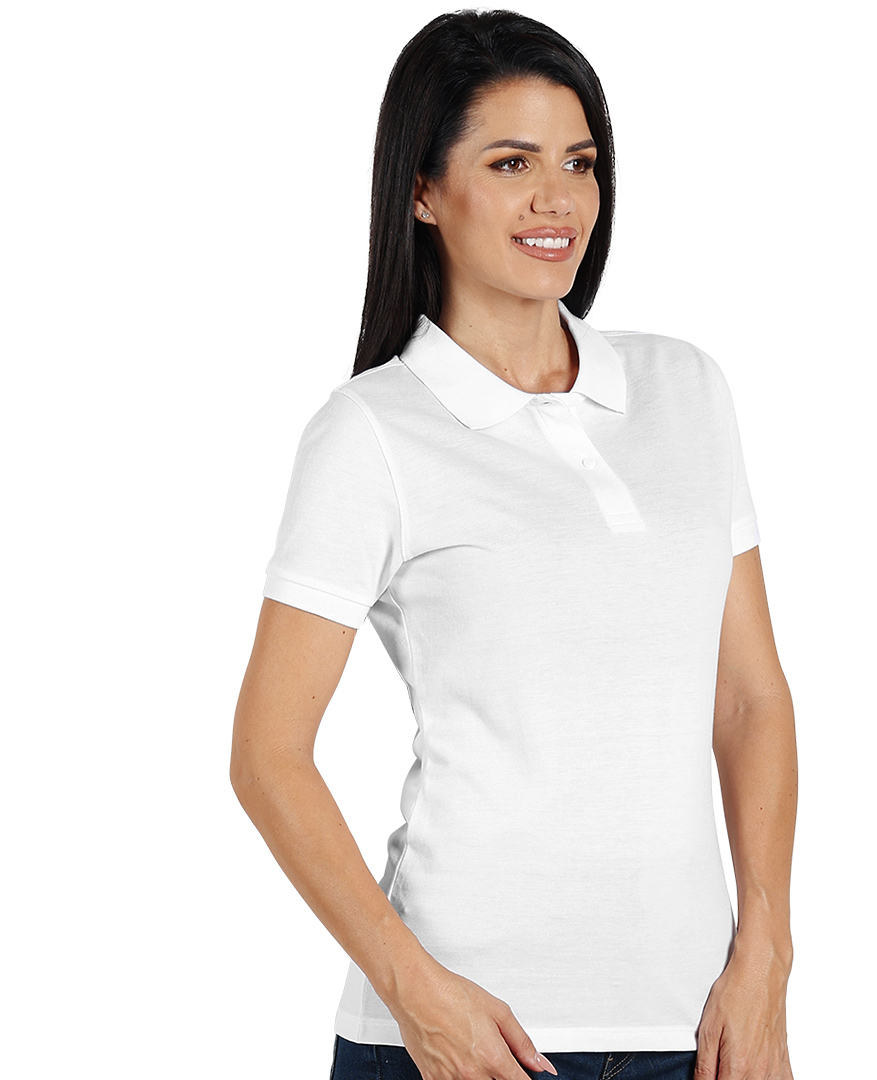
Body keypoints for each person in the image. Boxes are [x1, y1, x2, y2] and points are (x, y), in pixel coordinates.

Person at [230, 10, 798, 1080]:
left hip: (698, 1028)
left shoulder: (685, 389)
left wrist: (767, 953)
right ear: (422, 191)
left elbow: (748, 698)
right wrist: (416, 992)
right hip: (466, 1037)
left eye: (579, 163)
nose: (558, 199)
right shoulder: (373, 432)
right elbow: (268, 753)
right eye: (511, 163)